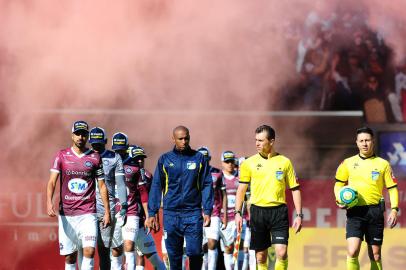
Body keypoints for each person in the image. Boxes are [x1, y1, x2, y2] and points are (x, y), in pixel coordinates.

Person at [234, 125, 303, 270]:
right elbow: (241, 189)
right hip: (258, 212)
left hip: (279, 212)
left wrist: (299, 215)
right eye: (256, 140)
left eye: (261, 140)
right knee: (260, 256)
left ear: (271, 141)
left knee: (282, 252)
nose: (257, 144)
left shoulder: (285, 162)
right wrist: (238, 213)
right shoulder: (249, 163)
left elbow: (295, 189)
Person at [146, 126, 214, 270]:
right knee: (174, 256)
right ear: (173, 139)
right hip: (171, 214)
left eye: (187, 138)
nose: (184, 141)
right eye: (181, 139)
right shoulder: (164, 159)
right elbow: (157, 186)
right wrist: (152, 212)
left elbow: (207, 184)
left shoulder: (199, 158)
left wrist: (207, 210)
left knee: (195, 253)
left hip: (193, 213)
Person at [46, 120, 111, 270]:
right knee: (70, 256)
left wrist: (107, 211)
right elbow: (51, 182)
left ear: (87, 136)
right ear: (72, 135)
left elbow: (102, 185)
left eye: (83, 134)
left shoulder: (95, 157)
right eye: (78, 134)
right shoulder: (61, 155)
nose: (81, 137)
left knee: (89, 250)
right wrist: (49, 202)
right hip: (67, 214)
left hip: (88, 213)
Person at [334, 126, 399, 270]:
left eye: (367, 140)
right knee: (352, 251)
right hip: (355, 212)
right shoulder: (348, 163)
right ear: (356, 143)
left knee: (375, 255)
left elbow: (392, 188)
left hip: (375, 212)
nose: (364, 143)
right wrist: (339, 199)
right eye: (361, 140)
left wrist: (394, 209)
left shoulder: (383, 164)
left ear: (373, 142)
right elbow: (338, 184)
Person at [88, 127, 127, 270]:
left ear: (105, 141)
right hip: (86, 207)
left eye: (99, 143)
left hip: (107, 208)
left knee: (104, 250)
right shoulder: (86, 155)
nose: (96, 146)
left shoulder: (114, 157)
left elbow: (121, 183)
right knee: (87, 249)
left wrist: (124, 205)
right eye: (93, 143)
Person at [113, 135, 149, 270]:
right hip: (113, 211)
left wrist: (147, 215)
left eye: (122, 150)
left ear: (127, 149)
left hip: (131, 211)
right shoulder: (107, 163)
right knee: (115, 250)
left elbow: (143, 192)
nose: (119, 153)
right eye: (117, 150)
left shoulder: (134, 167)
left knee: (129, 245)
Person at [129, 146, 166, 270]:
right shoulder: (120, 174)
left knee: (153, 258)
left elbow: (152, 199)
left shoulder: (148, 176)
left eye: (142, 159)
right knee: (126, 257)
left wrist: (153, 217)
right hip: (123, 223)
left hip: (141, 223)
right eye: (136, 159)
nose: (140, 161)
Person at [197, 146, 225, 270]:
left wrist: (223, 213)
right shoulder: (191, 173)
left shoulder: (217, 173)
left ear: (209, 159)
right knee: (201, 246)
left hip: (214, 213)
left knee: (212, 243)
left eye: (206, 159)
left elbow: (223, 194)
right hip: (197, 213)